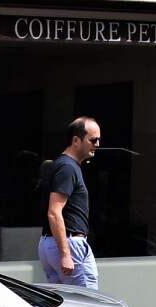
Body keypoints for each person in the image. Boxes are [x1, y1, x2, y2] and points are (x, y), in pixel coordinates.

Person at [39, 117, 101, 289]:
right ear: (76, 140)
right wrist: (65, 253)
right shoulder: (67, 168)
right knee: (89, 304)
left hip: (52, 243)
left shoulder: (61, 165)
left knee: (68, 305)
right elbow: (54, 212)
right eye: (93, 139)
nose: (97, 144)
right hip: (69, 243)